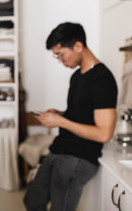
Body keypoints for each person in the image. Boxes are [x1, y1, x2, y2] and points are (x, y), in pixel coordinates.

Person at [23, 22, 118, 211]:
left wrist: (60, 121)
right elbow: (83, 114)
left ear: (78, 46)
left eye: (61, 55)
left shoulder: (102, 79)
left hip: (79, 158)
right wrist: (59, 114)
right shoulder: (77, 76)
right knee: (32, 201)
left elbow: (104, 134)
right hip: (60, 149)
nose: (60, 61)